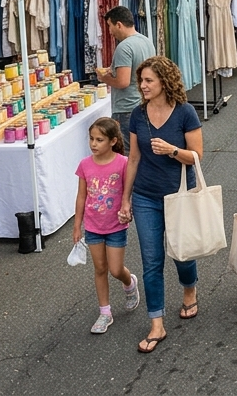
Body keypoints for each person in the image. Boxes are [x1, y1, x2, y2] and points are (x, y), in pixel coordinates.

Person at [117, 57, 204, 353]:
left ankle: (189, 289)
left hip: (178, 194)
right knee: (151, 261)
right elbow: (133, 159)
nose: (142, 86)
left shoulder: (185, 112)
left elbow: (197, 155)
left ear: (164, 82)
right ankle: (157, 323)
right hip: (145, 197)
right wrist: (126, 199)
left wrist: (173, 150)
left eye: (148, 81)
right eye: (141, 81)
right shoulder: (137, 114)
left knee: (182, 253)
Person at [73, 117, 140, 334]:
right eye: (91, 139)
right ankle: (105, 312)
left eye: (99, 140)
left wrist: (127, 209)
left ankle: (129, 283)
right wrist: (77, 225)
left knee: (115, 269)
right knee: (100, 269)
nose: (93, 144)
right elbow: (81, 196)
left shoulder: (123, 163)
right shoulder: (85, 165)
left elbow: (129, 191)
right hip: (93, 226)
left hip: (116, 226)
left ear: (112, 141)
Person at [96, 6, 156, 147]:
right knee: (142, 148)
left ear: (119, 24)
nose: (110, 31)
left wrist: (104, 78)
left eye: (110, 26)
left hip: (126, 108)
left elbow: (123, 82)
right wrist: (113, 70)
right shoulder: (146, 41)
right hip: (144, 103)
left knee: (127, 151)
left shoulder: (124, 47)